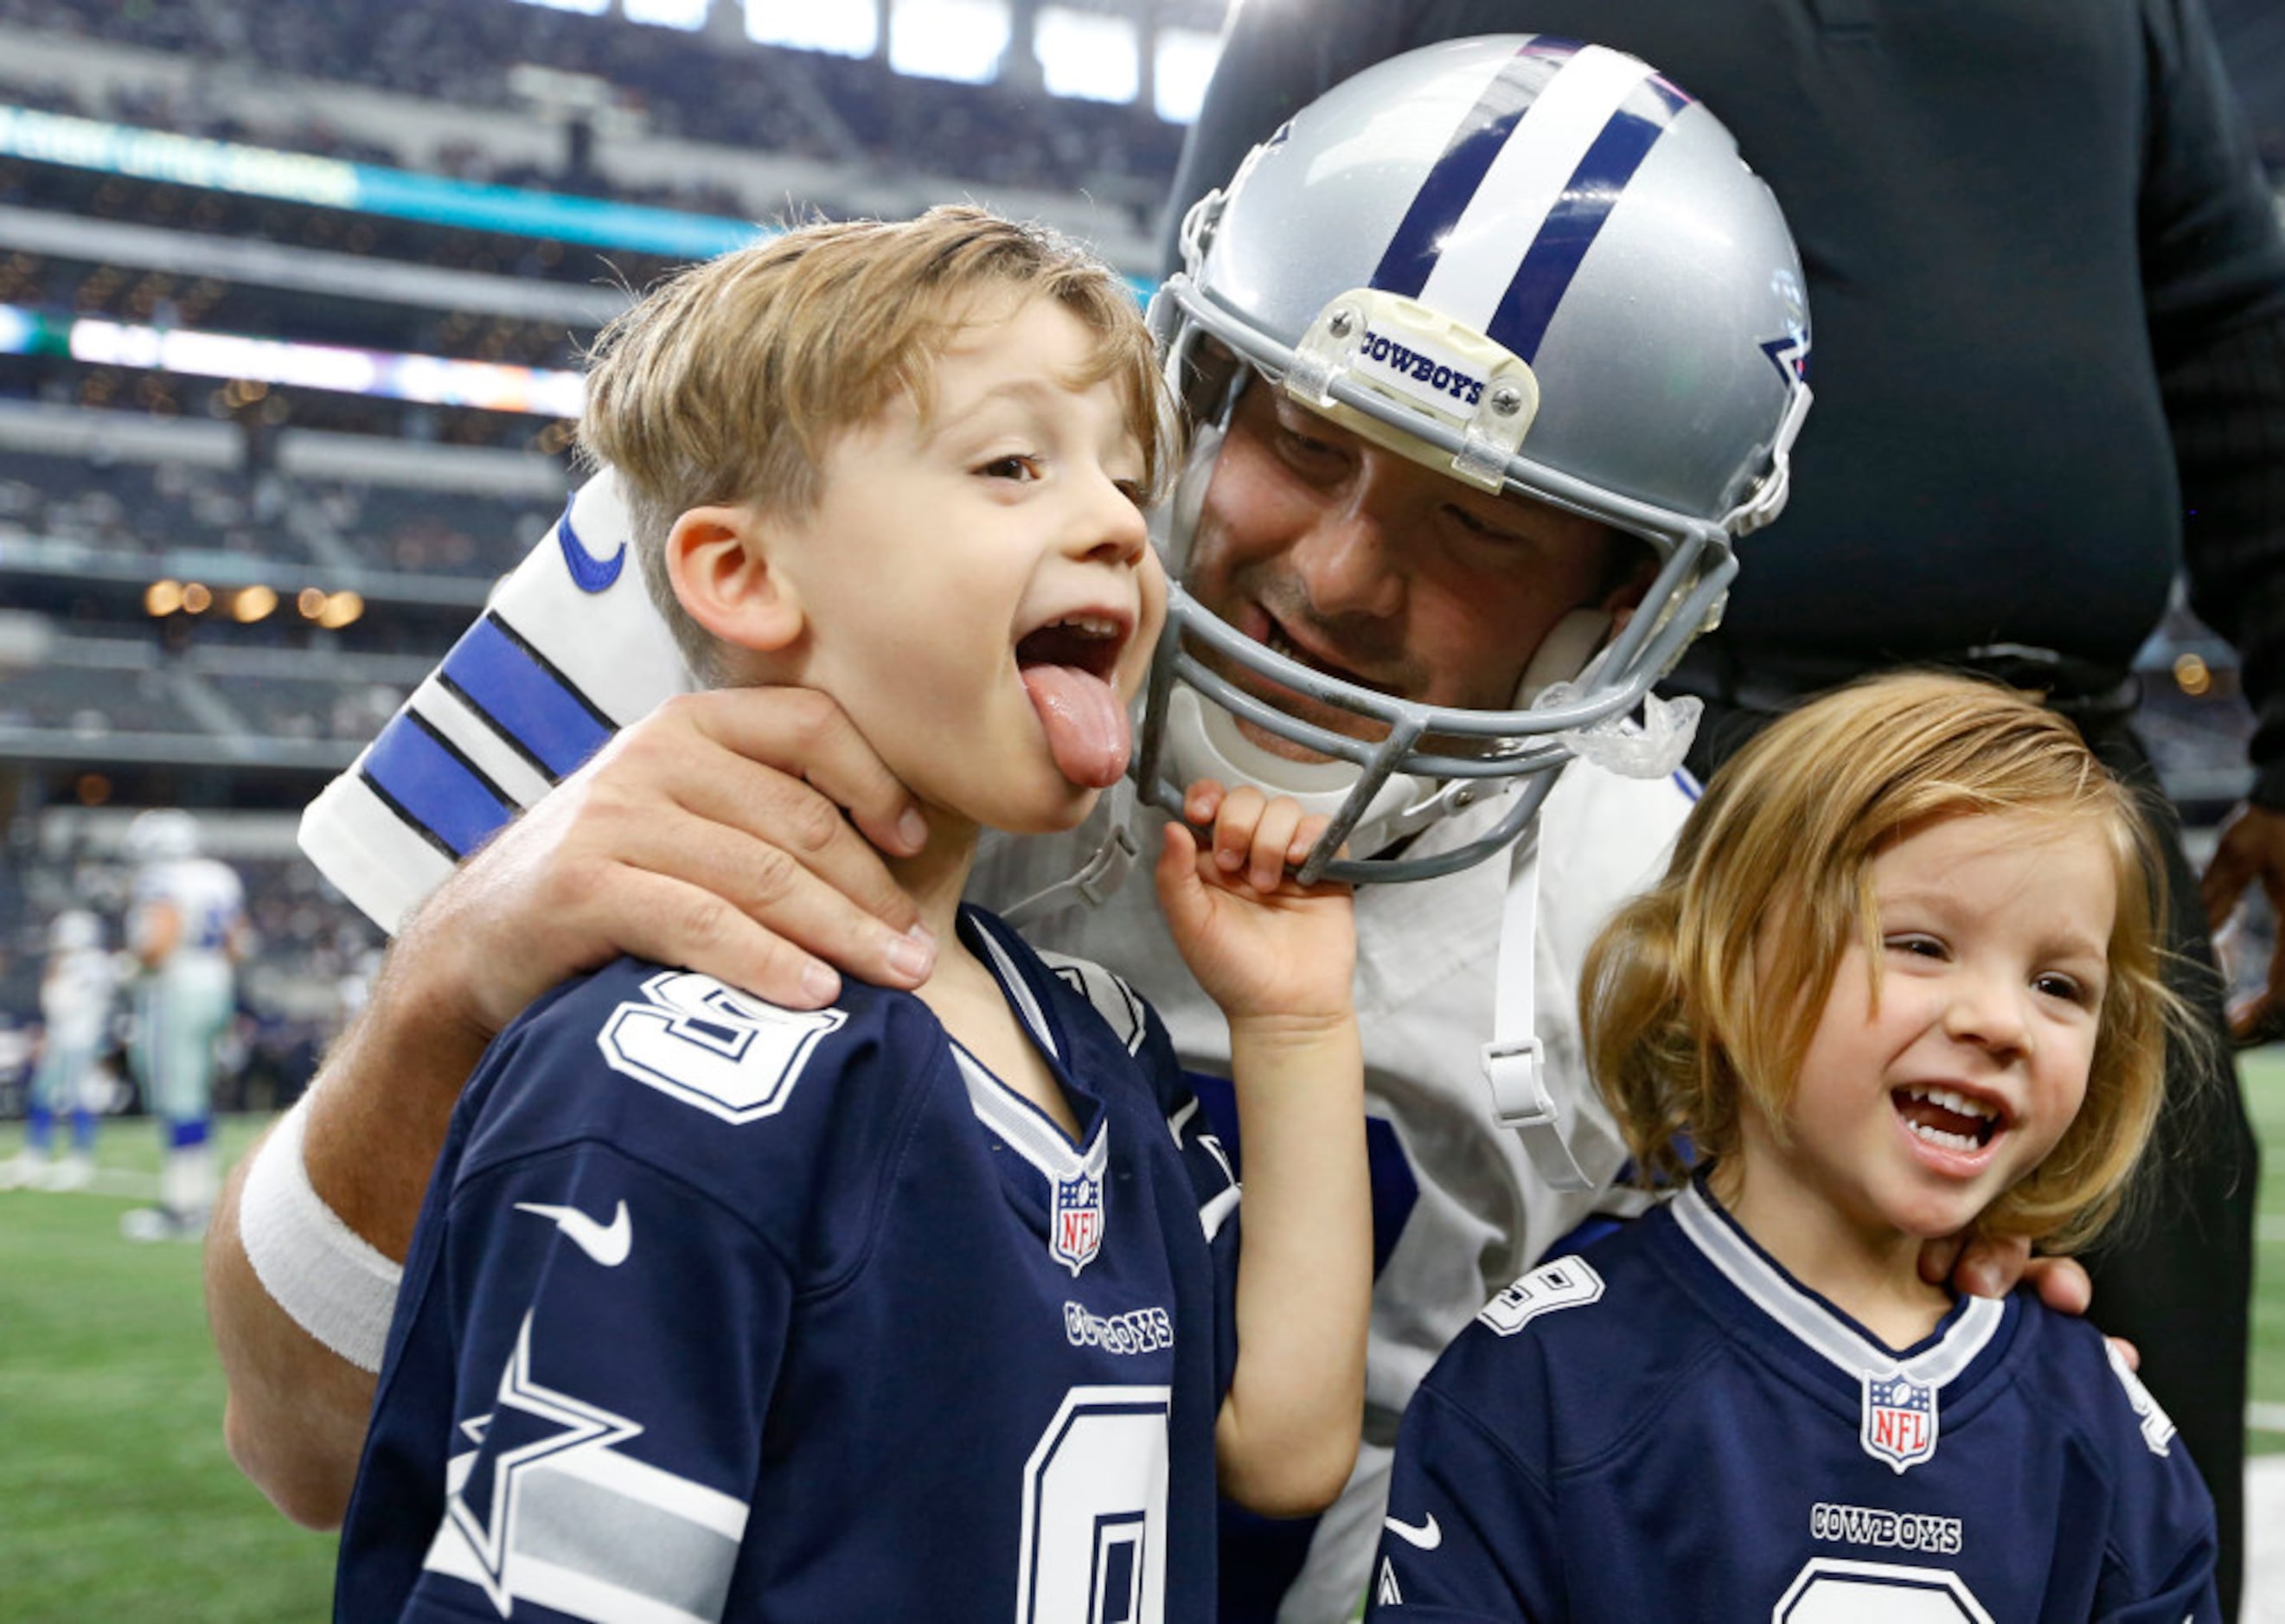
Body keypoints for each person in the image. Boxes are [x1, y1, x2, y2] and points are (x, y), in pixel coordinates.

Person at [208, 40, 2047, 1622]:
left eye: (1482, 526)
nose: (1330, 573)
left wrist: (1936, 1262)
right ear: (1191, 381)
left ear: (1620, 601)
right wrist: (457, 969)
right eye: (1299, 442)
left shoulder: (1654, 917)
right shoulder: (766, 568)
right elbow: (297, 1439)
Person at [1163, 7, 2285, 1610]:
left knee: (2086, 1449)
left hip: (2058, 771)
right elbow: (1245, 323)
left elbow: (2232, 315)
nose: (1333, 558)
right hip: (1612, 730)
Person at [333, 205, 1372, 1621]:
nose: (1124, 525)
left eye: (1128, 484)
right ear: (745, 573)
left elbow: (1285, 1443)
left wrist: (1299, 1022)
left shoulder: (1087, 1030)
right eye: (1013, 463)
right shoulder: (670, 1067)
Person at [1369, 671, 2220, 1620]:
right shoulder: (1546, 1380)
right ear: (1720, 965)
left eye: (2058, 986)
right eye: (1920, 946)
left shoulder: (2099, 1430)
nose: (2000, 1023)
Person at [119, 807, 246, 1241]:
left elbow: (159, 940)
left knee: (178, 1094)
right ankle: (202, 1197)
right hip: (217, 983)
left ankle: (183, 1206)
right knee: (199, 1091)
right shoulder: (220, 876)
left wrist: (133, 967)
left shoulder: (163, 879)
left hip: (178, 987)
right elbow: (237, 944)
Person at [0, 908, 117, 1192]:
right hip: (78, 1036)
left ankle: (77, 1156)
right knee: (48, 1093)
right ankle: (39, 1153)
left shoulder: (74, 965)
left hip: (75, 1037)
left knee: (75, 1095)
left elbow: (59, 1004)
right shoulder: (100, 963)